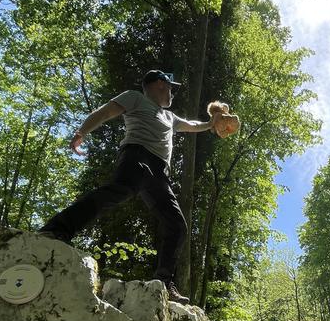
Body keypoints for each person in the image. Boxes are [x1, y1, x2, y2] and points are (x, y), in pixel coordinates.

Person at [38, 69, 216, 304]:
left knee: (177, 225)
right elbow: (105, 112)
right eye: (170, 87)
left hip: (160, 172)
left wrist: (210, 124)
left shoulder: (170, 117)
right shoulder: (135, 97)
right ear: (159, 84)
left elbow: (191, 125)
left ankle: (163, 282)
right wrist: (82, 131)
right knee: (119, 191)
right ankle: (56, 229)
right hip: (136, 155)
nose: (172, 92)